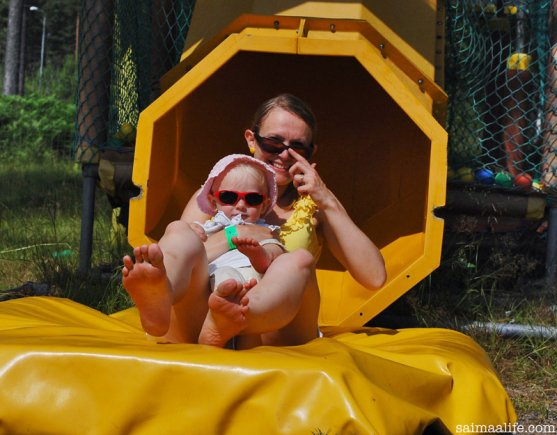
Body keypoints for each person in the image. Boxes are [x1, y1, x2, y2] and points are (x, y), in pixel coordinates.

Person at [122, 93, 387, 348]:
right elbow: (189, 258)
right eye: (273, 143)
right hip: (203, 319)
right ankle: (161, 296)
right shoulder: (217, 193)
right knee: (179, 231)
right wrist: (234, 234)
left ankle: (239, 315)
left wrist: (326, 199)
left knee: (299, 260)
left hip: (274, 331)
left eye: (297, 148)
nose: (284, 155)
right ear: (251, 139)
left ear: (311, 152)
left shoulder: (314, 207)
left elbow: (374, 277)